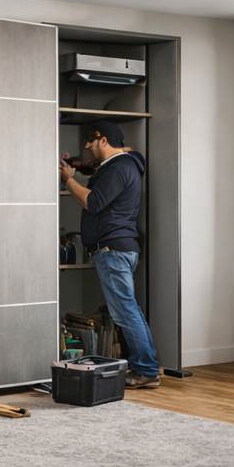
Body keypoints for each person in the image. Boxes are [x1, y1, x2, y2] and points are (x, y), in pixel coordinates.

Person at [58, 120, 160, 389]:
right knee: (129, 311)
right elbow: (99, 188)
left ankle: (146, 369)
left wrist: (68, 180)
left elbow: (93, 202)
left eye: (91, 141)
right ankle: (146, 367)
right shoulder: (124, 164)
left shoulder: (119, 167)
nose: (86, 145)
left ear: (104, 140)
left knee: (126, 312)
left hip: (112, 249)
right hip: (115, 248)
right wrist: (75, 170)